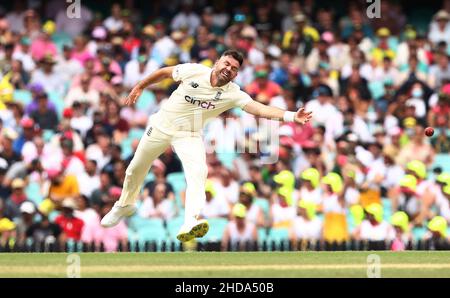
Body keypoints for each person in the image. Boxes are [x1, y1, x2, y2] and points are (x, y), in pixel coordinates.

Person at [100, 49, 312, 243]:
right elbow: (165, 72)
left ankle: (190, 221)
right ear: (218, 62)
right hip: (161, 125)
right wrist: (140, 86)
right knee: (136, 167)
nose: (228, 69)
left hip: (189, 134)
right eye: (226, 64)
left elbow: (257, 108)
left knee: (199, 172)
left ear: (236, 75)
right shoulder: (194, 71)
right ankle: (124, 205)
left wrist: (292, 116)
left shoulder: (233, 92)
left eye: (234, 69)